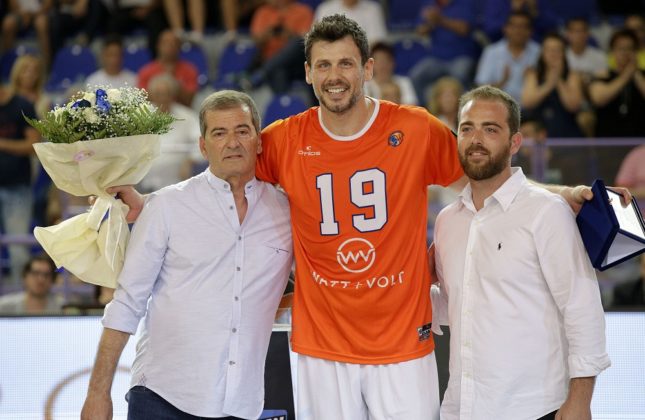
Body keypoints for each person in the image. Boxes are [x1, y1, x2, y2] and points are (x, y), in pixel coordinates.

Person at [114, 15, 625, 420]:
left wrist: (561, 192)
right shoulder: (284, 139)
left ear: (368, 68)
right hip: (321, 347)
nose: (335, 75)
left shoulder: (415, 129)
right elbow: (222, 176)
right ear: (308, 73)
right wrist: (150, 203)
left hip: (403, 342)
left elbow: (485, 171)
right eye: (323, 65)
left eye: (346, 63)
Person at [80, 90, 293, 419]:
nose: (232, 143)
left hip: (242, 404)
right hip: (162, 398)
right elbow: (126, 303)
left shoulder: (287, 212)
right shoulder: (165, 206)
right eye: (219, 133)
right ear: (203, 146)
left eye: (242, 131)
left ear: (259, 141)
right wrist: (98, 393)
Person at [431, 85, 610, 419]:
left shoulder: (546, 211)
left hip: (536, 408)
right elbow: (455, 304)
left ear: (515, 142)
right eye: (467, 128)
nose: (476, 139)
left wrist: (580, 399)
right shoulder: (447, 221)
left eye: (490, 129)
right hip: (463, 407)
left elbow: (582, 307)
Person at [0, 83, 40, 288]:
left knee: (17, 248)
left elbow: (34, 144)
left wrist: (3, 144)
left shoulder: (22, 105)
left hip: (17, 186)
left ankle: (22, 297)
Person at [139, 73, 204, 192]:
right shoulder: (140, 114)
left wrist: (190, 161)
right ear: (152, 95)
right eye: (158, 94)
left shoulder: (187, 116)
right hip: (144, 181)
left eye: (166, 94)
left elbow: (202, 142)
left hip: (178, 182)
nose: (163, 98)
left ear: (173, 95)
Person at [521, 32, 585, 138]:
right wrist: (549, 84)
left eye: (557, 50)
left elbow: (574, 106)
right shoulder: (533, 74)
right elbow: (527, 103)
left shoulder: (572, 75)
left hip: (567, 129)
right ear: (542, 53)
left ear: (564, 53)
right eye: (549, 49)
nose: (553, 54)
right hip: (539, 131)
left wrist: (559, 79)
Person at [589, 28, 645, 138]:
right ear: (612, 51)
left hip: (640, 140)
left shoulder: (642, 76)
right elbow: (598, 98)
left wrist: (636, 75)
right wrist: (626, 75)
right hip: (608, 139)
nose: (625, 53)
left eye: (630, 48)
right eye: (620, 49)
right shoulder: (603, 76)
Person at [474, 11, 540, 102]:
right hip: (499, 105)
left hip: (532, 106)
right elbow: (480, 88)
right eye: (514, 26)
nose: (518, 31)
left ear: (530, 31)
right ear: (505, 28)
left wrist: (532, 79)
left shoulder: (539, 52)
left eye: (523, 26)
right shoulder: (492, 52)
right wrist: (502, 82)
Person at [137, 29, 199, 107]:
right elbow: (142, 99)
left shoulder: (189, 70)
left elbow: (189, 101)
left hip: (181, 111)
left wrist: (174, 84)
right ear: (158, 46)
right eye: (165, 43)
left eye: (174, 43)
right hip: (153, 111)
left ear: (179, 47)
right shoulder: (146, 71)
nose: (170, 46)